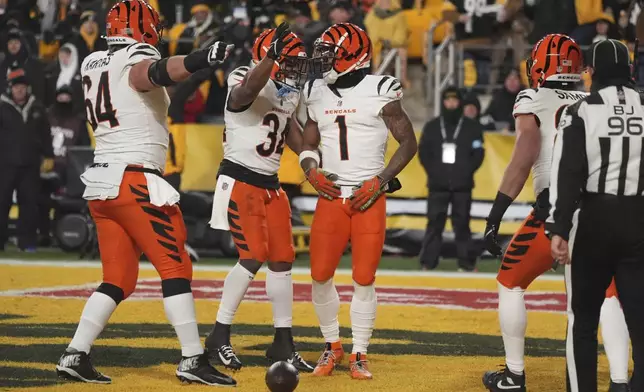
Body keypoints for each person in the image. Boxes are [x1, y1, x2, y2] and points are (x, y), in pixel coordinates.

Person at [55, 0, 236, 386]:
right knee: (176, 268)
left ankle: (75, 353)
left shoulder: (93, 62)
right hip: (134, 179)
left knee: (118, 278)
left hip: (103, 184)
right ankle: (192, 359)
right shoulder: (133, 58)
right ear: (143, 28)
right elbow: (150, 73)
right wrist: (201, 58)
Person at [482, 34, 630, 392]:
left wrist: (495, 215)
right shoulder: (594, 99)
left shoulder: (532, 98)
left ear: (538, 64)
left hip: (554, 210)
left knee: (510, 281)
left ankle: (514, 375)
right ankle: (620, 380)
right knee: (608, 294)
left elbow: (523, 158)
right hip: (600, 206)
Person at [300, 22, 417, 380]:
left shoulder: (380, 89)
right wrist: (310, 169)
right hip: (331, 195)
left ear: (353, 56)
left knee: (364, 277)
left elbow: (409, 142)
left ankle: (359, 351)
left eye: (329, 54)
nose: (322, 62)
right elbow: (308, 137)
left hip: (369, 197)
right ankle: (332, 345)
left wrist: (381, 181)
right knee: (319, 275)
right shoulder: (315, 91)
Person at [205, 23, 313, 373]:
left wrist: (315, 160)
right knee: (252, 256)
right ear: (273, 56)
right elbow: (244, 92)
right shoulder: (246, 74)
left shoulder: (288, 91)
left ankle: (283, 343)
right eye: (290, 60)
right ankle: (218, 337)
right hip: (239, 179)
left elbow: (294, 139)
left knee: (282, 258)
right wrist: (270, 59)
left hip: (271, 183)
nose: (296, 68)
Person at [547, 38, 643, 392]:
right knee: (640, 318)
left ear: (594, 70)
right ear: (630, 70)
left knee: (583, 320)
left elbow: (568, 171)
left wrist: (558, 226)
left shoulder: (582, 111)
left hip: (596, 219)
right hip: (638, 218)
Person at [417, 87, 485, 271]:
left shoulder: (472, 127)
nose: (451, 104)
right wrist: (435, 172)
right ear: (443, 102)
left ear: (460, 102)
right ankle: (428, 263)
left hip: (462, 185)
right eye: (448, 100)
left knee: (462, 224)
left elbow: (478, 154)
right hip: (438, 185)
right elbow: (423, 153)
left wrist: (465, 171)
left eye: (455, 100)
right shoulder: (432, 127)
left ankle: (467, 263)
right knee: (434, 224)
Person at [0, 69, 54, 252]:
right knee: (2, 202)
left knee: (29, 204)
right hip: (5, 164)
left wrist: (49, 155)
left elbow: (46, 135)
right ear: (11, 88)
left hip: (30, 165)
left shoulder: (37, 107)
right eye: (17, 87)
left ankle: (27, 242)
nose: (20, 90)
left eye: (22, 87)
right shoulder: (2, 106)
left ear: (27, 88)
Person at [40, 85, 90, 244]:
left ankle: (60, 235)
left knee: (64, 204)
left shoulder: (79, 120)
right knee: (41, 201)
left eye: (66, 97)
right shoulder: (46, 116)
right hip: (46, 165)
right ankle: (43, 233)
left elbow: (84, 147)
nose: (63, 100)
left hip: (69, 169)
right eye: (60, 97)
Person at [0, 28, 45, 104]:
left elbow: (39, 89)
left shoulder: (33, 64)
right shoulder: (3, 64)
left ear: (22, 44)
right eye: (10, 43)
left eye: (16, 43)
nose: (13, 46)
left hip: (29, 105)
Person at [45, 43, 83, 113]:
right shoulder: (54, 75)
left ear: (73, 56)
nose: (64, 59)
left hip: (75, 114)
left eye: (67, 56)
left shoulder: (82, 75)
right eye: (62, 56)